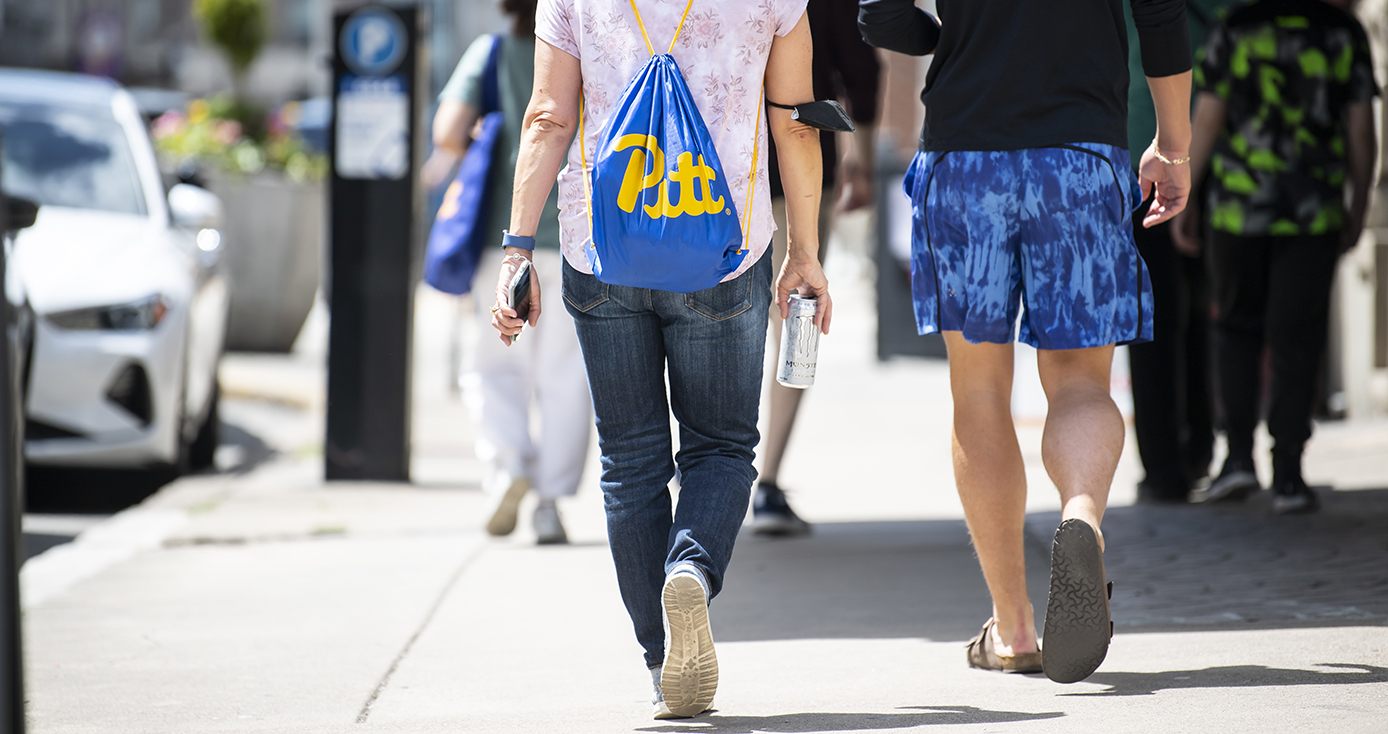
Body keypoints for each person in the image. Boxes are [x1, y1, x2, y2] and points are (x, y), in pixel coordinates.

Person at [491, 0, 830, 718]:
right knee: (722, 446)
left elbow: (548, 118)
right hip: (724, 251)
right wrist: (806, 252)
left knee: (631, 457)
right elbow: (795, 122)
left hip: (602, 249)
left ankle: (659, 659)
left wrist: (518, 249)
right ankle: (691, 568)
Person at [860, 0, 1192, 683]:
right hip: (1079, 157)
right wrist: (1174, 143)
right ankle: (1080, 516)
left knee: (979, 389)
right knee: (1079, 381)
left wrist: (949, 38)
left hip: (965, 157)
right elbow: (1161, 17)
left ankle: (1011, 627)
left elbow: (880, 14)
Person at [1174, 0, 1378, 514]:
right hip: (1312, 209)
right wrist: (1359, 201)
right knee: (1297, 336)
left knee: (1236, 328)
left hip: (1240, 208)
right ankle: (1288, 471)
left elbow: (1209, 116)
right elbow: (1360, 129)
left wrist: (1189, 195)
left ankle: (1238, 457)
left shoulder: (1235, 27)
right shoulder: (1342, 32)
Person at [428, 0, 592, 545]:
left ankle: (507, 469)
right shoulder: (588, 45)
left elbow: (447, 130)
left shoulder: (492, 52)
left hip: (507, 240)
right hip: (578, 238)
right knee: (567, 376)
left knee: (494, 364)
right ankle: (549, 503)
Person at [755, 0, 881, 537]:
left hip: (703, 175)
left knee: (699, 316)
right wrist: (864, 161)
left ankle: (696, 476)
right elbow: (862, 74)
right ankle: (766, 483)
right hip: (799, 177)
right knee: (796, 326)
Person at [1124, 1, 1240, 504]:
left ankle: (1166, 466)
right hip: (1220, 154)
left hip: (1140, 154)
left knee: (1153, 315)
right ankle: (1197, 450)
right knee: (1202, 308)